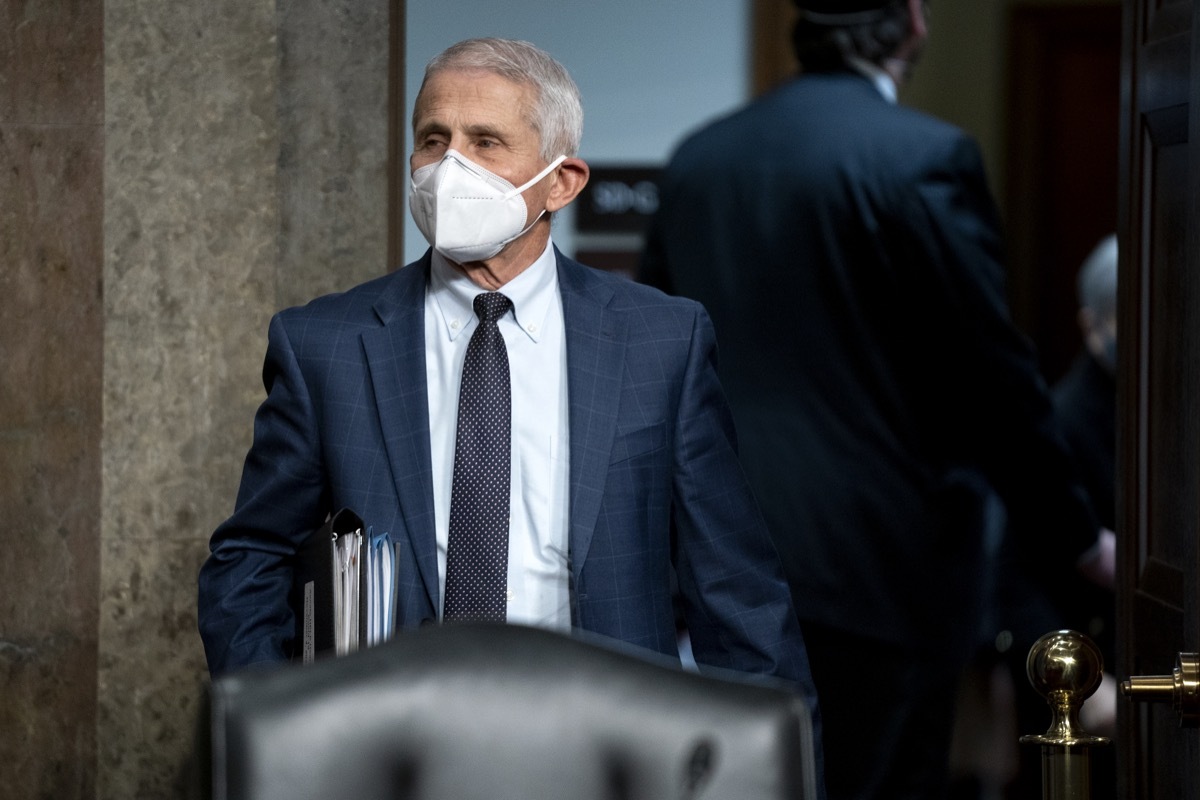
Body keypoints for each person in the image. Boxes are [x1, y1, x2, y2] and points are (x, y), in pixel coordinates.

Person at [197, 37, 819, 724]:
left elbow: (734, 585)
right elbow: (249, 560)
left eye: (485, 141)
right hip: (388, 745)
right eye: (433, 138)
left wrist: (777, 768)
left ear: (562, 181)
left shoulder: (660, 342)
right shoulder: (325, 344)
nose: (448, 166)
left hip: (607, 742)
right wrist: (281, 731)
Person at [639, 2, 1112, 798]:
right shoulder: (922, 156)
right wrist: (1073, 534)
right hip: (885, 568)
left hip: (721, 560)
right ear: (913, 27)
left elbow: (652, 360)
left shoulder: (698, 159)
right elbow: (991, 372)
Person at [999, 234, 1118, 800]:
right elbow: (1018, 579)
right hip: (1087, 685)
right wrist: (1081, 689)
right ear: (1090, 324)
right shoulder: (1064, 424)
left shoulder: (1159, 402)